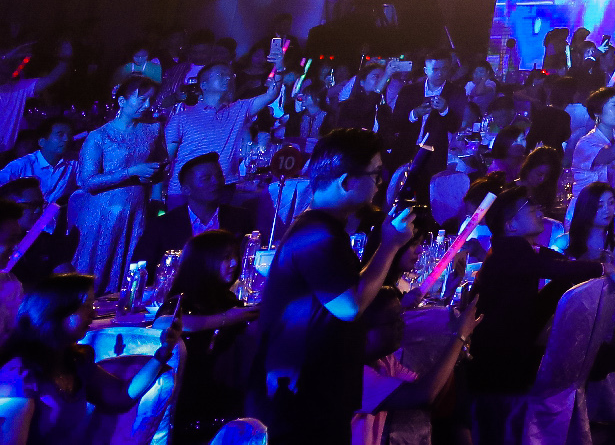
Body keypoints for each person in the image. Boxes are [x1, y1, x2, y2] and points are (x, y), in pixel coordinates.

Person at [250, 128, 417, 445]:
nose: (379, 183)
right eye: (375, 174)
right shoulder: (318, 236)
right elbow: (349, 305)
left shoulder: (323, 229)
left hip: (312, 393)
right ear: (346, 182)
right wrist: (390, 246)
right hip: (300, 399)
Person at [463, 186, 602, 441]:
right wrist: (602, 268)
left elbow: (555, 263)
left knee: (563, 285)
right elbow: (552, 268)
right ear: (511, 225)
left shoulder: (512, 248)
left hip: (503, 354)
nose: (539, 210)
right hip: (498, 364)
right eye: (529, 207)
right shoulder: (511, 251)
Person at [0, 271, 175, 445]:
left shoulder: (74, 361)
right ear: (57, 312)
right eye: (86, 306)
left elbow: (121, 396)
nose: (93, 314)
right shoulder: (18, 375)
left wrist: (163, 352)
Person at [170, 231, 257, 445]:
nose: (234, 263)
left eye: (235, 256)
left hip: (227, 400)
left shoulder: (228, 299)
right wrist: (227, 318)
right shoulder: (184, 299)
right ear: (203, 261)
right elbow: (166, 324)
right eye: (225, 257)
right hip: (191, 405)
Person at [71, 77, 162, 280]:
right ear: (122, 101)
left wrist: (155, 195)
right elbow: (88, 182)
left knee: (129, 272)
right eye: (142, 99)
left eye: (151, 99)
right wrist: (131, 172)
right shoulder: (99, 136)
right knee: (95, 272)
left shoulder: (153, 130)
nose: (147, 105)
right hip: (103, 213)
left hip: (137, 211)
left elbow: (161, 164)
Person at [162, 67, 284, 204]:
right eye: (220, 74)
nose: (227, 78)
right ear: (203, 85)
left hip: (222, 188)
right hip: (185, 192)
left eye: (229, 75)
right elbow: (165, 159)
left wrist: (279, 69)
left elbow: (271, 94)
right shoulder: (182, 118)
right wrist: (156, 195)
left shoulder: (238, 109)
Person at [141, 157, 256, 271]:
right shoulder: (162, 226)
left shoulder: (240, 218)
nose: (216, 182)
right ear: (186, 190)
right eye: (206, 179)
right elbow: (145, 270)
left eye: (219, 176)